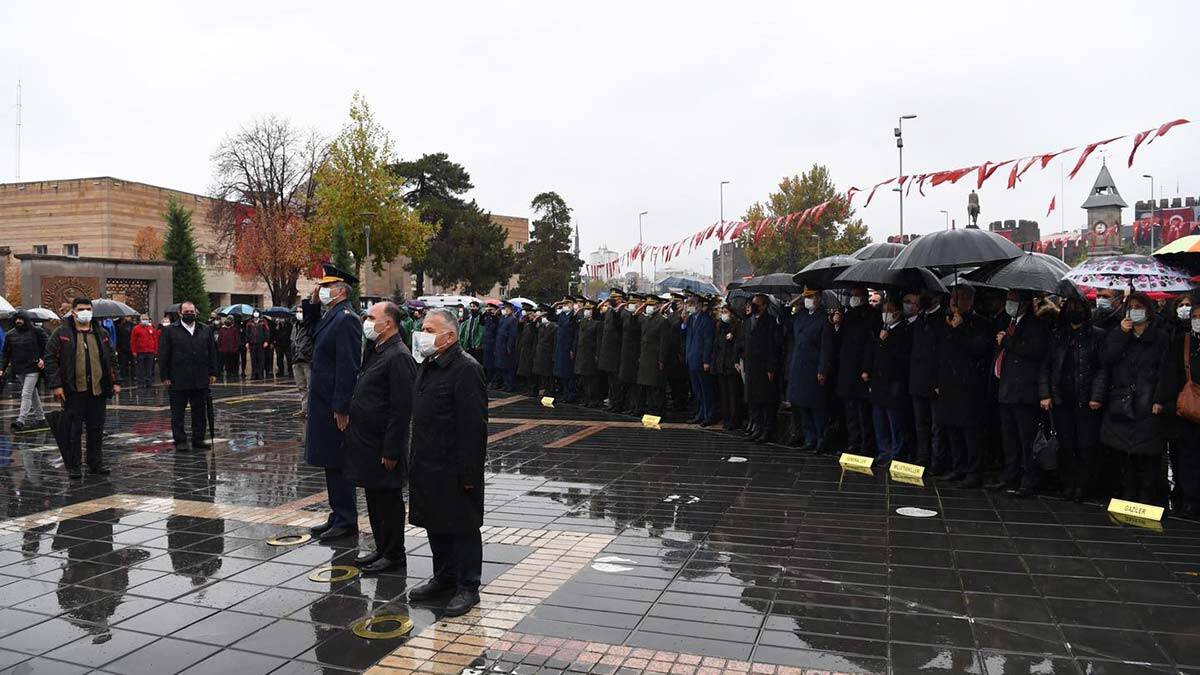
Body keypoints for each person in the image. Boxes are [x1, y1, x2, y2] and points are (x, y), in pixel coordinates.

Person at [407, 308, 488, 617]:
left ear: (450, 336)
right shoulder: (429, 364)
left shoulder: (466, 369)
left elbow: (473, 427)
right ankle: (444, 578)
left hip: (454, 468)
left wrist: (469, 474)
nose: (422, 334)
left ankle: (468, 586)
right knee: (435, 524)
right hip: (427, 464)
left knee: (462, 527)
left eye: (429, 330)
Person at [343, 302, 416, 574]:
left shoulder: (398, 356)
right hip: (367, 442)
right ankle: (381, 547)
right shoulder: (376, 350)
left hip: (384, 444)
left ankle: (394, 553)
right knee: (374, 498)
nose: (367, 321)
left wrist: (392, 449)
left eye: (372, 317)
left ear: (388, 324)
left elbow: (401, 409)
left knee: (389, 500)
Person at [305, 265, 365, 542]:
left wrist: (342, 406)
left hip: (333, 404)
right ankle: (336, 514)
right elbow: (310, 331)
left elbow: (348, 366)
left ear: (340, 290)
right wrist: (313, 304)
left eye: (326, 287)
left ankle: (346, 519)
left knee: (339, 462)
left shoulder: (347, 319)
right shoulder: (331, 315)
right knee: (330, 460)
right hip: (322, 401)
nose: (322, 290)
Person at [1100, 292, 1172, 506]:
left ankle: (1146, 493)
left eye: (1140, 306)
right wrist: (1121, 334)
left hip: (1148, 402)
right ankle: (1128, 491)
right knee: (1124, 451)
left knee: (1148, 453)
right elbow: (1107, 358)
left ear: (1148, 311)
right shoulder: (1119, 333)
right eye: (1131, 306)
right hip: (1122, 402)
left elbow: (1165, 371)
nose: (1135, 310)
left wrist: (1159, 399)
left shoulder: (1160, 337)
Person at [1038, 293, 1107, 502]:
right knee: (1066, 444)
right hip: (1061, 399)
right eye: (1070, 307)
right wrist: (1045, 394)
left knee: (1085, 445)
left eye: (1078, 307)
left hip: (1086, 400)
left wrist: (1096, 396)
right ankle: (1068, 484)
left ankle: (1083, 487)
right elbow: (1046, 366)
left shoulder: (1097, 335)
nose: (1073, 311)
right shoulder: (1058, 335)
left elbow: (1102, 369)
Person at [43, 298, 120, 479]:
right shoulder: (62, 332)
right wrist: (56, 385)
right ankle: (74, 465)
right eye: (81, 309)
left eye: (88, 308)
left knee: (96, 429)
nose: (85, 312)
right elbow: (50, 359)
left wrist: (116, 381)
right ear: (74, 311)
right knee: (73, 430)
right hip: (73, 390)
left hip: (97, 389)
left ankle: (95, 463)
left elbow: (112, 359)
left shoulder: (101, 333)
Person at [989, 289, 1052, 496]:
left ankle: (1029, 478)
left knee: (1026, 438)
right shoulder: (1010, 323)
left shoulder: (1037, 324)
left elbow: (1034, 350)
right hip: (1006, 389)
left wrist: (1008, 341)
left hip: (1025, 391)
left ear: (1024, 303)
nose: (1009, 303)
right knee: (1009, 437)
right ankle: (1010, 474)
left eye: (1013, 300)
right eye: (1008, 299)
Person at [936, 286, 990, 488]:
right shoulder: (946, 322)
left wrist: (960, 328)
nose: (954, 301)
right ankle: (957, 467)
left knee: (969, 432)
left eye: (960, 298)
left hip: (968, 385)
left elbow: (977, 349)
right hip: (948, 383)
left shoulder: (980, 323)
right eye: (953, 297)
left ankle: (973, 471)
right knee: (951, 428)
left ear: (970, 301)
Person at [158, 301, 219, 451]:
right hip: (178, 378)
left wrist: (213, 372)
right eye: (186, 311)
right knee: (177, 413)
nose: (190, 314)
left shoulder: (205, 330)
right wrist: (165, 376)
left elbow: (212, 352)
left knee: (199, 412)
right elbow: (163, 355)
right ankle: (180, 440)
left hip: (200, 378)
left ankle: (198, 439)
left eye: (192, 311)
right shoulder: (170, 331)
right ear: (180, 313)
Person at [1160, 299, 1200, 517]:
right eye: (1194, 317)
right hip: (1187, 409)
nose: (1196, 321)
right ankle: (1190, 499)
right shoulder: (1182, 342)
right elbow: (1170, 374)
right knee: (1187, 455)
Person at [863, 296, 913, 463]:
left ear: (897, 313)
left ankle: (897, 452)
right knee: (879, 419)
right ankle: (884, 450)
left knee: (895, 421)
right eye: (884, 311)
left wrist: (887, 341)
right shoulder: (883, 329)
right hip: (879, 382)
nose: (885, 314)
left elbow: (902, 356)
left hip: (894, 383)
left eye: (889, 311)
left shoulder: (904, 330)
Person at [786, 289, 834, 452]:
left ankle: (821, 438)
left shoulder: (824, 319)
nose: (808, 300)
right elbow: (786, 320)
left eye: (811, 297)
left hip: (814, 367)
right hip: (799, 366)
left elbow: (826, 348)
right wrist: (795, 302)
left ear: (819, 299)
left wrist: (822, 369)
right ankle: (809, 438)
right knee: (802, 405)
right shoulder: (801, 316)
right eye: (806, 297)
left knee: (816, 406)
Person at [836, 286, 878, 456]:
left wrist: (867, 368)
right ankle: (854, 441)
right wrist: (837, 324)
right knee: (850, 411)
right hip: (847, 368)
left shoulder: (872, 315)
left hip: (861, 369)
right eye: (851, 295)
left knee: (863, 411)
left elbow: (871, 344)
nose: (853, 298)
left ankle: (866, 445)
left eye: (856, 295)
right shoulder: (849, 315)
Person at [910, 291, 946, 470]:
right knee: (920, 423)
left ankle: (937, 461)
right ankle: (922, 457)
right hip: (917, 379)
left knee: (936, 425)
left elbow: (942, 354)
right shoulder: (920, 319)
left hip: (934, 381)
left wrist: (939, 381)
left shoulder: (942, 318)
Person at [743, 294, 782, 443]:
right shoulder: (748, 321)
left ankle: (767, 430)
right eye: (753, 304)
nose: (753, 306)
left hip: (764, 367)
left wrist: (771, 367)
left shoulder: (771, 322)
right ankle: (757, 427)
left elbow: (774, 347)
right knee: (753, 400)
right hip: (751, 366)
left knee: (766, 401)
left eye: (757, 304)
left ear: (764, 306)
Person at [0, 311, 49, 430]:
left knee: (26, 393)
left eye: (21, 319)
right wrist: (2, 368)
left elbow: (48, 346)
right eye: (17, 319)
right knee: (32, 393)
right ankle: (41, 418)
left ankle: (21, 420)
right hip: (19, 369)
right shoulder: (10, 334)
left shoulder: (36, 331)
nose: (18, 321)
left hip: (33, 367)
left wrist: (42, 359)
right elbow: (6, 353)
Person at [686, 294, 718, 425]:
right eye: (688, 303)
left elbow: (708, 342)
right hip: (692, 360)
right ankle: (700, 414)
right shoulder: (691, 319)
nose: (690, 306)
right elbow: (687, 337)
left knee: (706, 391)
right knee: (697, 391)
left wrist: (706, 360)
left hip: (701, 361)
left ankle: (709, 415)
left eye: (692, 303)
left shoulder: (706, 320)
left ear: (699, 304)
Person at [713, 303, 744, 431]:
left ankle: (734, 419)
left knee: (733, 395)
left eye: (725, 311)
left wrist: (732, 337)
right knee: (724, 395)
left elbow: (738, 347)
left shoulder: (737, 327)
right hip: (722, 365)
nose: (723, 314)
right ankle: (726, 419)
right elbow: (717, 346)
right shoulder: (720, 326)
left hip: (731, 366)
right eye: (722, 312)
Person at [636, 296, 668, 416]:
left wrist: (661, 359)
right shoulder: (645, 319)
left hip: (655, 358)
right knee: (647, 386)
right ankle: (650, 410)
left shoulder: (662, 320)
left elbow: (664, 342)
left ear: (657, 306)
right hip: (645, 356)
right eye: (648, 305)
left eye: (652, 305)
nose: (649, 307)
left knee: (656, 387)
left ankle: (657, 411)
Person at [598, 290, 625, 411]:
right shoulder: (609, 311)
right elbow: (597, 314)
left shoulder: (622, 311)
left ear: (620, 299)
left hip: (616, 351)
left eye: (615, 298)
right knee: (611, 380)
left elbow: (618, 325)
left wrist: (616, 309)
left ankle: (617, 403)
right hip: (608, 351)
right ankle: (613, 401)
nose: (613, 300)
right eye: (611, 298)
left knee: (616, 381)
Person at [617, 295, 644, 414]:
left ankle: (637, 407)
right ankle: (630, 406)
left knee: (635, 384)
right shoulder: (627, 315)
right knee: (627, 381)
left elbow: (636, 331)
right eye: (631, 302)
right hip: (626, 353)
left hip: (636, 354)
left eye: (635, 303)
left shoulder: (642, 317)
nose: (633, 305)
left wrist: (636, 315)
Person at [574, 300, 603, 407]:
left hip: (591, 354)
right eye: (586, 309)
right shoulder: (583, 321)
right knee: (584, 379)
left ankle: (594, 400)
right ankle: (586, 398)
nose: (586, 311)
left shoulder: (597, 323)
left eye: (589, 309)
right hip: (582, 354)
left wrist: (597, 354)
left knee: (592, 380)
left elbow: (599, 341)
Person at [290, 305, 316, 418]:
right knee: (301, 386)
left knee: (311, 386)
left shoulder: (309, 326)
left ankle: (312, 410)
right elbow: (292, 340)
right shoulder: (295, 325)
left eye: (301, 311)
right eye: (298, 311)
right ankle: (304, 409)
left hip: (307, 358)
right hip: (296, 358)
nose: (299, 313)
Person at [554, 298, 579, 403]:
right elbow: (551, 316)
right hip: (561, 347)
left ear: (572, 304)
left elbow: (575, 335)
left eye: (566, 303)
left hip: (569, 348)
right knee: (562, 372)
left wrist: (573, 349)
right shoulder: (562, 315)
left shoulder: (574, 316)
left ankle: (571, 394)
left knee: (569, 373)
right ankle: (565, 393)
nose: (564, 305)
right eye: (563, 304)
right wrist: (556, 304)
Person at [130, 314, 161, 388]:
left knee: (149, 368)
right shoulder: (136, 328)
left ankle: (148, 382)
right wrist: (134, 351)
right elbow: (133, 341)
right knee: (140, 368)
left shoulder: (151, 328)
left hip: (150, 351)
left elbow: (155, 339)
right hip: (140, 351)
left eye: (146, 319)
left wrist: (155, 350)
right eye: (144, 319)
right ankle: (140, 382)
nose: (145, 320)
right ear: (140, 320)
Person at [494, 301, 519, 392]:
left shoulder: (513, 319)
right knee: (502, 367)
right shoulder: (503, 318)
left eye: (506, 308)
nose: (504, 310)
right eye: (503, 308)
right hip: (500, 346)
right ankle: (505, 384)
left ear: (511, 310)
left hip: (506, 346)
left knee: (508, 367)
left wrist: (509, 347)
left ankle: (510, 385)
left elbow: (512, 335)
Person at [533, 306, 557, 396]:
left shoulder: (554, 327)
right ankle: (544, 389)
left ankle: (550, 390)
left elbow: (554, 342)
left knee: (548, 374)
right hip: (540, 353)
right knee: (541, 373)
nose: (542, 318)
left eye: (544, 316)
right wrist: (536, 318)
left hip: (548, 353)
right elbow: (533, 328)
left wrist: (554, 355)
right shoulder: (541, 326)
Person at [245, 312, 271, 380]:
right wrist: (247, 341)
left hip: (260, 343)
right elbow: (247, 333)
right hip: (252, 343)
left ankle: (260, 374)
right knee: (253, 360)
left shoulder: (263, 322)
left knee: (261, 359)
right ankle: (254, 374)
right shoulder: (249, 322)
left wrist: (266, 341)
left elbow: (267, 332)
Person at [481, 301, 500, 386]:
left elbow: (496, 326)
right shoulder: (487, 316)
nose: (489, 310)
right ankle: (488, 380)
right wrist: (485, 312)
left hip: (493, 343)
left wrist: (495, 314)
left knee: (492, 363)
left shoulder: (496, 318)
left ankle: (493, 381)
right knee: (486, 363)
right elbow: (481, 322)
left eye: (491, 309)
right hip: (486, 342)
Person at [461, 300, 484, 365]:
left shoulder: (480, 317)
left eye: (474, 306)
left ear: (478, 307)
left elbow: (481, 332)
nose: (472, 308)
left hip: (477, 346)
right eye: (471, 306)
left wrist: (478, 343)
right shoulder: (470, 318)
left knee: (477, 362)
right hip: (469, 344)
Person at [116, 317, 134, 381]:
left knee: (133, 362)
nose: (128, 318)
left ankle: (133, 375)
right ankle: (123, 375)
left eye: (129, 316)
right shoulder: (120, 326)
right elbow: (118, 337)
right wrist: (118, 347)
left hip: (131, 346)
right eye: (126, 317)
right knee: (123, 362)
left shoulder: (133, 326)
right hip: (123, 346)